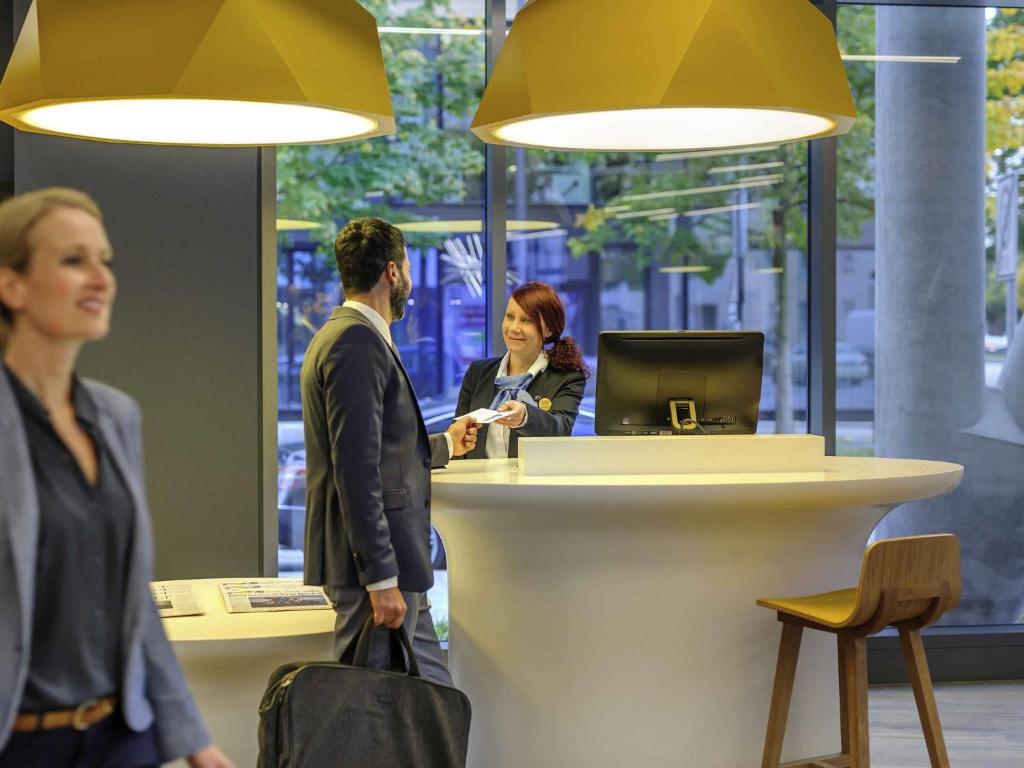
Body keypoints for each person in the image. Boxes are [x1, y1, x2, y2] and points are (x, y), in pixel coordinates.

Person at [0, 188, 231, 768]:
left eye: (105, 261)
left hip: (120, 739)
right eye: (74, 261)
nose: (101, 279)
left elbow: (133, 602)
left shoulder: (114, 416)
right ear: (12, 285)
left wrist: (197, 744)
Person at [301, 218, 478, 685]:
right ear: (393, 273)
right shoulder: (355, 342)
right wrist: (380, 580)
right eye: (408, 267)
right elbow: (355, 471)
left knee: (431, 704)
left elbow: (380, 450)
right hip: (379, 575)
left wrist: (444, 445)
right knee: (371, 724)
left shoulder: (349, 335)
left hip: (399, 569)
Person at [456, 281, 588, 459]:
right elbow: (459, 439)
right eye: (510, 316)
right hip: (478, 483)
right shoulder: (478, 372)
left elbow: (561, 429)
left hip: (532, 485)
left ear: (548, 329)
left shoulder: (568, 377)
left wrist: (525, 417)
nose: (514, 328)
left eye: (526, 320)